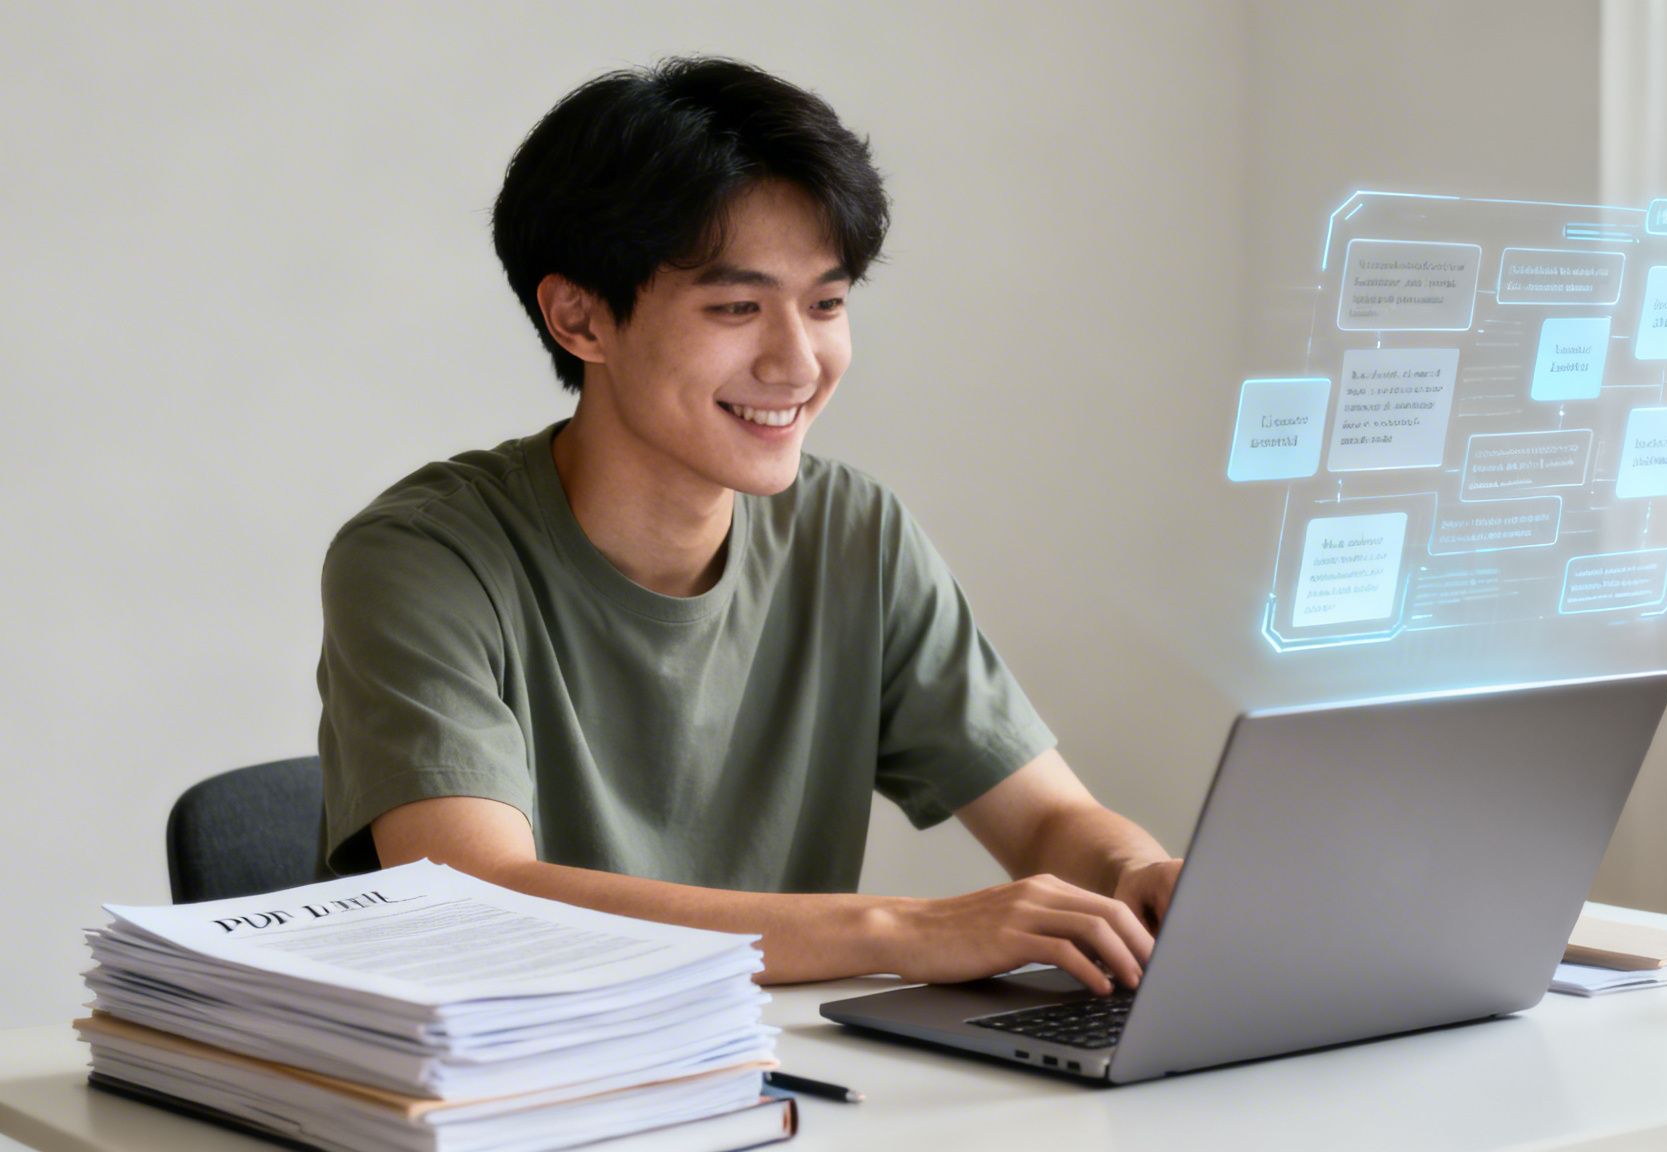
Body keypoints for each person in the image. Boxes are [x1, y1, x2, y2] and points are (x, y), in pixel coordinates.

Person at [316, 57, 1180, 996]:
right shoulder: (422, 559)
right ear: (579, 318)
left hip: (796, 1094)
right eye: (736, 307)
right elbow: (487, 902)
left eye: (827, 303)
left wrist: (1139, 877)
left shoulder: (856, 535)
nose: (799, 361)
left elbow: (1052, 822)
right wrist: (902, 928)